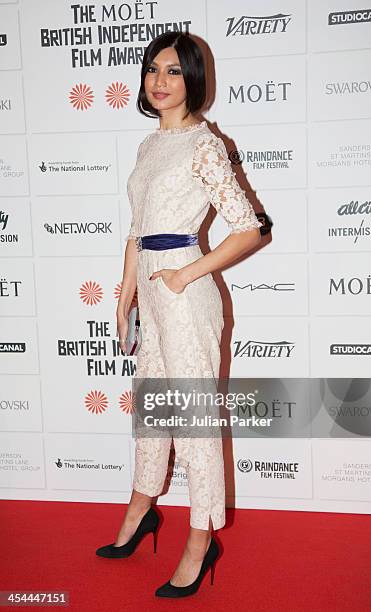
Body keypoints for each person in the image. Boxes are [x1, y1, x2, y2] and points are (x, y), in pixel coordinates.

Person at [96, 31, 262, 598]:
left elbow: (249, 229)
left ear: (194, 78)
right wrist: (124, 294)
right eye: (151, 71)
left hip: (186, 292)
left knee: (192, 418)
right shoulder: (148, 147)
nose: (160, 82)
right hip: (149, 281)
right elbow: (137, 229)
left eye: (172, 71)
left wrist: (186, 274)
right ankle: (142, 509)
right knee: (151, 407)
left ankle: (200, 534)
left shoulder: (204, 145)